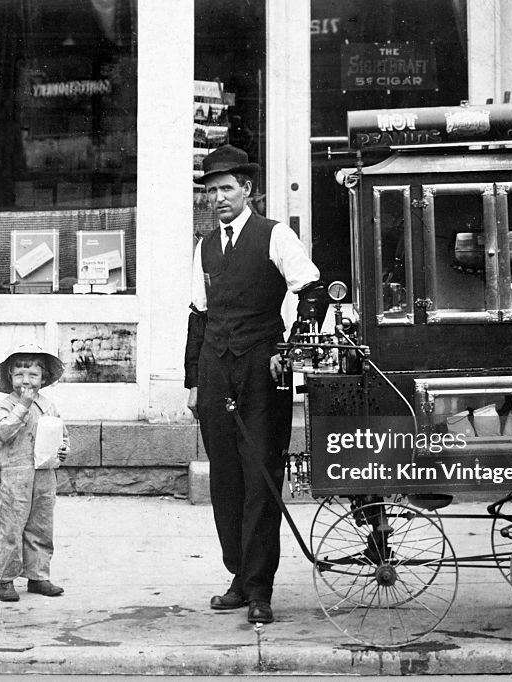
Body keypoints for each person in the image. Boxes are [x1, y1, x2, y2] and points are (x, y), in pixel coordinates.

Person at [185, 144, 327, 625]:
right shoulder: (203, 246)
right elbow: (198, 316)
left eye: (227, 188)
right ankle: (238, 579)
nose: (219, 198)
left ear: (247, 190)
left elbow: (311, 291)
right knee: (225, 480)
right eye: (211, 191)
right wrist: (192, 382)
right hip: (214, 371)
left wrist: (289, 353)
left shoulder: (275, 235)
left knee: (261, 479)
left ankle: (261, 588)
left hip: (262, 372)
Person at [0, 343, 69, 602]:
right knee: (12, 528)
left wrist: (63, 449)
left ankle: (38, 575)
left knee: (41, 525)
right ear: (10, 377)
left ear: (43, 378)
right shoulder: (7, 405)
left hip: (44, 475)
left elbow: (61, 433)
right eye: (20, 375)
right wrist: (22, 406)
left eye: (33, 375)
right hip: (15, 475)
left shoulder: (49, 405)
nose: (26, 380)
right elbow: (3, 432)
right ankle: (6, 578)